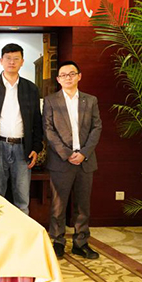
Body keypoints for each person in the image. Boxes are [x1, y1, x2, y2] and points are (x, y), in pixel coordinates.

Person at [43, 61, 102, 260]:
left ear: (79, 76)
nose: (68, 77)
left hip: (85, 160)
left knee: (82, 205)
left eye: (72, 74)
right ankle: (58, 242)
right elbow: (48, 130)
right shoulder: (51, 101)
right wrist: (67, 153)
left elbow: (96, 128)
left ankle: (81, 243)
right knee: (58, 205)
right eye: (63, 75)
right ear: (58, 79)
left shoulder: (90, 100)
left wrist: (84, 153)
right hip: (61, 161)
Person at [0, 43, 43, 215]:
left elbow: (37, 120)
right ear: (1, 61)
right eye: (8, 58)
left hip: (23, 148)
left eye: (16, 58)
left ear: (22, 61)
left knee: (22, 198)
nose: (12, 62)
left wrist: (36, 147)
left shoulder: (31, 89)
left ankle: (22, 231)